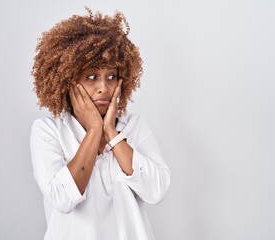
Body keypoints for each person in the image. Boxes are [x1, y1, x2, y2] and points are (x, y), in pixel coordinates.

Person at [30, 7, 170, 240]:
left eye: (112, 76)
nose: (103, 87)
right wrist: (94, 130)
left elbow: (157, 191)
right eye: (92, 77)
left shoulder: (134, 126)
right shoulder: (48, 131)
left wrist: (112, 134)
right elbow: (62, 199)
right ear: (69, 80)